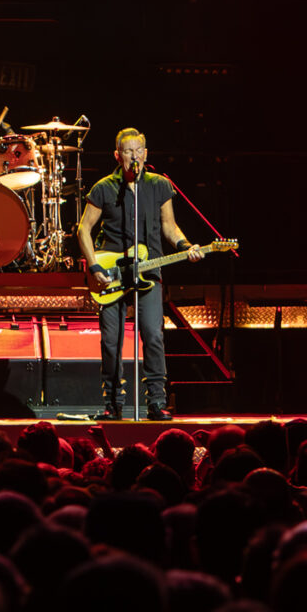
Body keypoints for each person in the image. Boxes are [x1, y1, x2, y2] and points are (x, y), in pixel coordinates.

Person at [75, 128, 203, 421]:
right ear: (117, 155)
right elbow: (83, 229)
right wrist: (94, 266)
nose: (134, 156)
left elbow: (169, 227)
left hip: (149, 268)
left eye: (138, 151)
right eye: (128, 151)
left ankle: (156, 401)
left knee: (153, 335)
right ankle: (112, 402)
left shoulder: (160, 185)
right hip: (111, 271)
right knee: (111, 340)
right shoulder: (104, 188)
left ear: (146, 154)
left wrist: (186, 246)